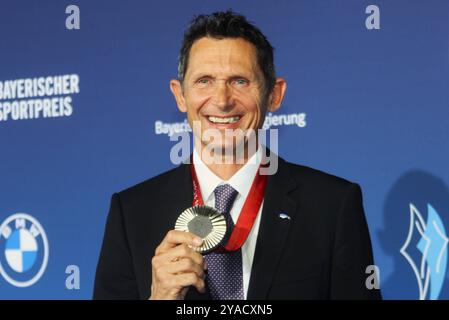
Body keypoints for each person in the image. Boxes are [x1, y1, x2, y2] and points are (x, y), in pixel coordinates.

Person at [93, 10, 381, 300]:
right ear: (180, 95)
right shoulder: (131, 213)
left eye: (240, 81)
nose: (221, 100)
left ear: (274, 95)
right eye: (204, 80)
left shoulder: (332, 206)